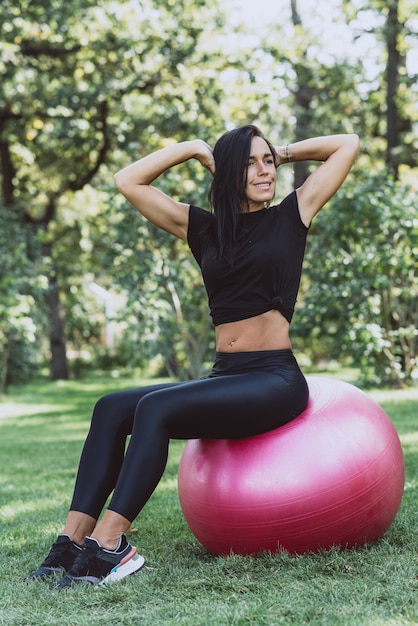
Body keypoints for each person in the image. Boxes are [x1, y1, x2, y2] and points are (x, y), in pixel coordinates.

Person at [26, 125, 360, 588]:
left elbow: (348, 144)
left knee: (155, 407)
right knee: (110, 407)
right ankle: (70, 542)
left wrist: (279, 152)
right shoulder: (202, 227)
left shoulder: (293, 213)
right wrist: (191, 149)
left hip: (275, 381)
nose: (263, 171)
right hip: (228, 375)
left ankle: (110, 546)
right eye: (249, 163)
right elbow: (128, 181)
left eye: (266, 162)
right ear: (226, 173)